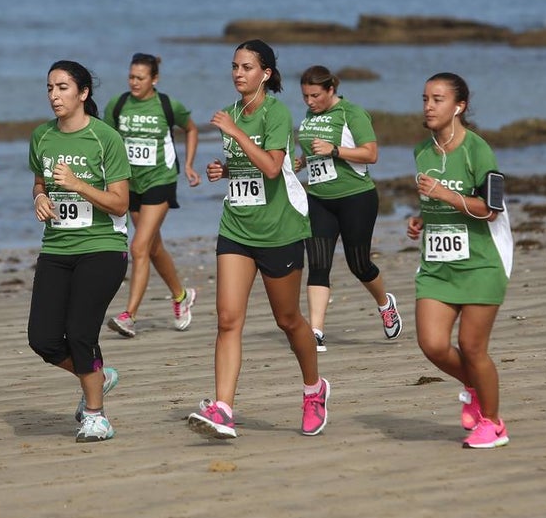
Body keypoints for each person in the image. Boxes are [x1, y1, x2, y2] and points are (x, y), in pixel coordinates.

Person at [187, 39, 329, 440]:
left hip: (278, 231)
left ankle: (313, 390)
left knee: (288, 320)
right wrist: (224, 170)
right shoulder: (232, 111)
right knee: (228, 319)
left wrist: (234, 133)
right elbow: (246, 166)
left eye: (247, 67)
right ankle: (224, 408)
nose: (238, 74)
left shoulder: (276, 113)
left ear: (265, 74)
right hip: (236, 227)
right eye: (234, 66)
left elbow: (270, 167)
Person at [406, 72, 513, 449]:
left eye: (437, 99)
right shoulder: (421, 151)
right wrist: (421, 218)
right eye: (425, 99)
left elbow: (493, 210)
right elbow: (432, 200)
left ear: (459, 106)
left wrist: (444, 196)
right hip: (437, 264)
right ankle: (473, 385)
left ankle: (494, 424)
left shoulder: (477, 150)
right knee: (432, 345)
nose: (428, 106)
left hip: (480, 263)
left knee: (471, 346)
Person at [28, 60, 131, 443]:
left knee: (81, 332)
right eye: (50, 88)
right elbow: (39, 181)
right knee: (43, 339)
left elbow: (120, 204)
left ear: (83, 93)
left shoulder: (105, 138)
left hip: (102, 248)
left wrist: (77, 185)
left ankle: (96, 416)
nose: (54, 95)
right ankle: (98, 377)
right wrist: (40, 197)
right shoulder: (41, 137)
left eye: (63, 88)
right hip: (56, 247)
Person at [294, 65, 400, 351]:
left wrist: (335, 151)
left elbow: (371, 154)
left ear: (331, 90)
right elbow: (313, 147)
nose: (309, 102)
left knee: (359, 264)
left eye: (315, 95)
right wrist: (302, 162)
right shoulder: (309, 114)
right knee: (318, 264)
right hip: (317, 199)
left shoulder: (351, 113)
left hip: (356, 198)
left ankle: (384, 303)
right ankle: (315, 331)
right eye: (305, 96)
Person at [103, 53, 201, 338]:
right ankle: (181, 295)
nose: (134, 82)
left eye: (140, 78)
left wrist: (190, 163)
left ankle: (129, 315)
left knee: (138, 247)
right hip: (130, 184)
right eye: (131, 77)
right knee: (153, 248)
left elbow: (191, 129)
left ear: (154, 79)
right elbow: (106, 140)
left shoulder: (168, 105)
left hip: (161, 179)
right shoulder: (118, 105)